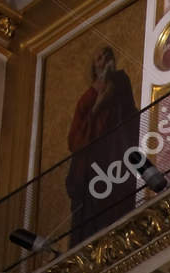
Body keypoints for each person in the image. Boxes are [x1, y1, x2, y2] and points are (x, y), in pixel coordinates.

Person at [66, 46, 140, 245]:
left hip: (113, 151)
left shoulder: (120, 80)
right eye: (99, 57)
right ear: (94, 65)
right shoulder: (88, 95)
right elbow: (74, 137)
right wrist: (97, 106)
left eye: (107, 55)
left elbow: (128, 112)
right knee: (91, 206)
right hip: (91, 158)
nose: (103, 59)